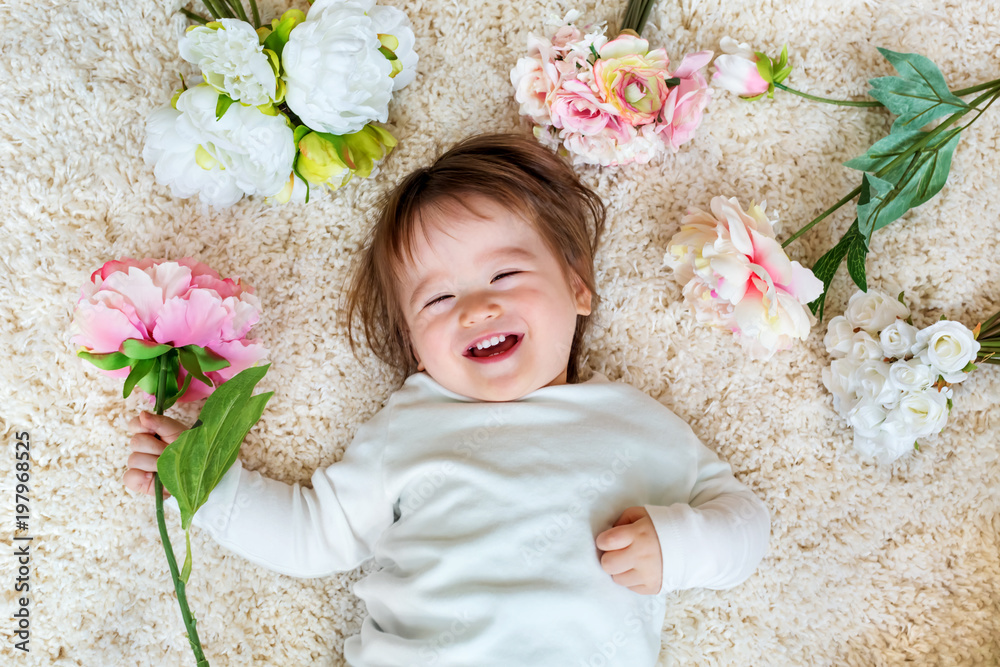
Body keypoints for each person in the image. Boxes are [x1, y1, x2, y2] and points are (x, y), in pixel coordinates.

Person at [124, 133, 770, 666]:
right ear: (413, 341)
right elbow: (313, 533)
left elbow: (744, 520)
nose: (477, 307)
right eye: (437, 299)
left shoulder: (632, 420)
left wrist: (679, 545)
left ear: (577, 287)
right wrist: (205, 482)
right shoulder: (408, 428)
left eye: (506, 274)